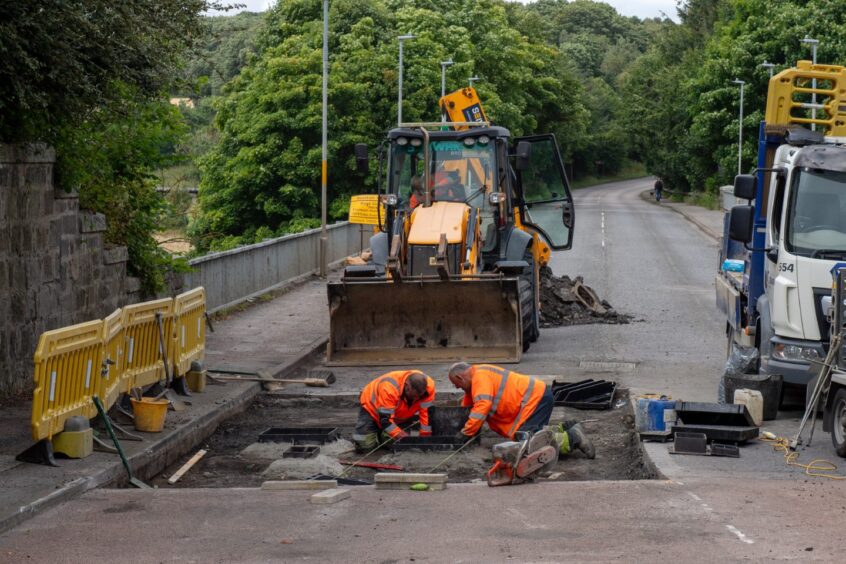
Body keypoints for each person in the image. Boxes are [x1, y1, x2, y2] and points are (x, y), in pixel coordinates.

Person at [447, 362, 594, 458]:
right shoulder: (476, 377)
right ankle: (566, 428)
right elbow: (469, 405)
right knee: (528, 437)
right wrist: (463, 424)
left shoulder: (480, 378)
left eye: (456, 384)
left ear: (460, 377)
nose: (457, 388)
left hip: (536, 399)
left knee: (529, 446)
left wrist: (465, 432)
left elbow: (481, 406)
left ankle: (574, 437)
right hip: (536, 398)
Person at [352, 370, 435, 452]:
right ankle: (378, 432)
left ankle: (384, 435)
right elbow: (386, 420)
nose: (415, 399)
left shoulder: (428, 388)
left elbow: (426, 413)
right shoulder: (389, 388)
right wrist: (403, 437)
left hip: (398, 416)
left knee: (392, 440)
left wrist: (425, 437)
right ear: (407, 386)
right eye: (413, 396)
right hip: (372, 411)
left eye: (418, 397)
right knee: (365, 447)